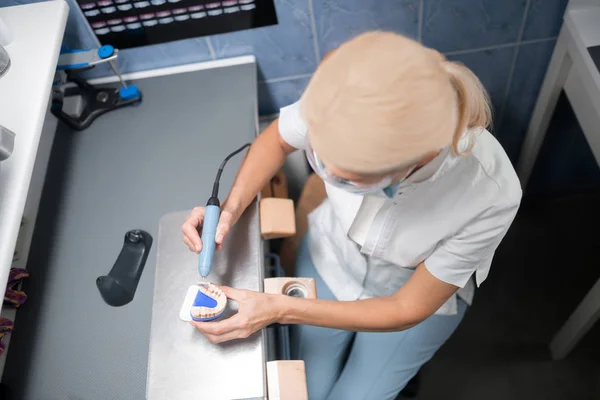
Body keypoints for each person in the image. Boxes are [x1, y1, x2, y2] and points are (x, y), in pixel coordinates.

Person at [182, 31, 521, 400]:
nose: (324, 174)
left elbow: (406, 307)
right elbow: (279, 140)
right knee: (305, 392)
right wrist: (231, 209)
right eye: (320, 160)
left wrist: (280, 308)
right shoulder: (345, 91)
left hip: (407, 294)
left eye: (345, 177)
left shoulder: (490, 193)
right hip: (331, 257)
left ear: (402, 170)